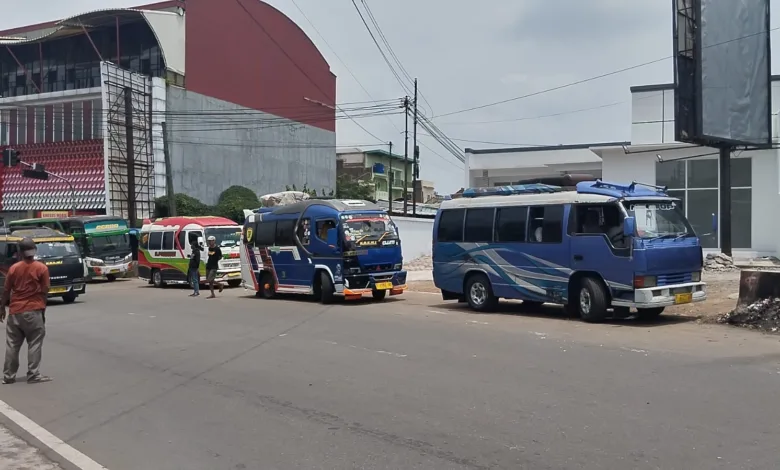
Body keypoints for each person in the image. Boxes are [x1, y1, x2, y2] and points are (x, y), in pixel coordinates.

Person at [1, 238, 52, 384]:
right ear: (34, 250)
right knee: (34, 343)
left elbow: (6, 290)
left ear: (20, 252)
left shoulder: (13, 268)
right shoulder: (42, 268)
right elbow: (45, 289)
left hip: (15, 311)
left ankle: (9, 376)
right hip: (34, 310)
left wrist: (1, 308)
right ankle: (33, 374)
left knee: (12, 345)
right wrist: (42, 306)